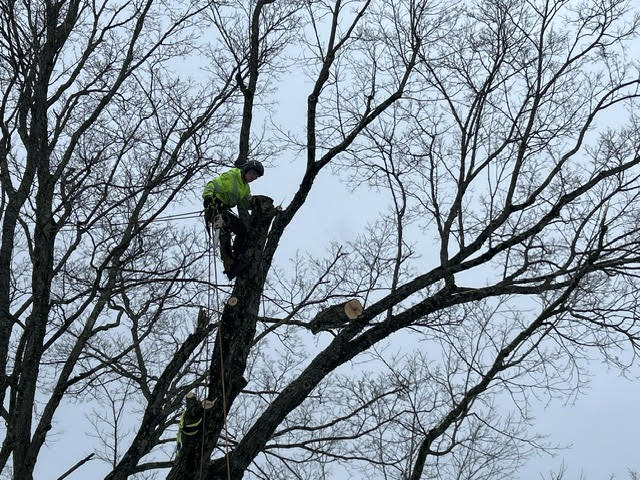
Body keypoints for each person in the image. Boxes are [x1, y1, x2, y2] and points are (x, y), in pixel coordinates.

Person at [202, 160, 264, 279]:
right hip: (214, 208)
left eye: (255, 177)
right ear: (246, 170)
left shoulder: (245, 188)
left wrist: (257, 204)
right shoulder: (231, 176)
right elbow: (212, 184)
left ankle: (236, 257)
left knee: (243, 230)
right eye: (251, 174)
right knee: (224, 231)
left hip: (224, 211)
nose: (252, 178)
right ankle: (229, 266)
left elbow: (246, 203)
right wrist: (208, 197)